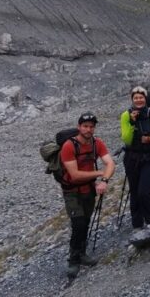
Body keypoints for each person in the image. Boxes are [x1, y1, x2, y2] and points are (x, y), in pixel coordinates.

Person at [60, 112, 115, 277]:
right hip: (72, 191)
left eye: (91, 126)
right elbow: (75, 175)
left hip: (89, 190)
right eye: (85, 126)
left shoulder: (97, 143)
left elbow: (110, 163)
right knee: (78, 224)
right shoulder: (69, 146)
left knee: (85, 221)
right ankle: (73, 260)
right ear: (79, 127)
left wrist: (105, 180)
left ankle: (82, 254)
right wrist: (99, 173)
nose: (88, 129)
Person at [119, 86, 150, 229]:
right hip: (131, 158)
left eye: (141, 97)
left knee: (143, 191)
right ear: (132, 99)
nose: (139, 100)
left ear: (145, 99)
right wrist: (132, 122)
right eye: (136, 98)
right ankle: (137, 224)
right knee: (134, 191)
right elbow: (127, 140)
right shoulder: (125, 116)